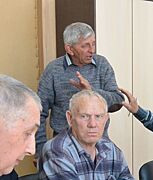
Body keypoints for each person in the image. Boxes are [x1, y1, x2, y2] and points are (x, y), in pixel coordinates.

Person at [34, 90, 138, 180]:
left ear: (106, 119)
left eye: (99, 116)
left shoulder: (109, 147)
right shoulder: (56, 151)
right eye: (84, 116)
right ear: (70, 118)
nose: (93, 124)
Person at [36, 22, 124, 155]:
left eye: (93, 44)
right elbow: (38, 112)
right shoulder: (53, 70)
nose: (92, 50)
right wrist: (40, 150)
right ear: (70, 49)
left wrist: (91, 92)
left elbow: (118, 101)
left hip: (99, 145)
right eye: (85, 46)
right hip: (63, 147)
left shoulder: (102, 64)